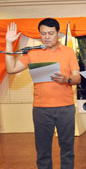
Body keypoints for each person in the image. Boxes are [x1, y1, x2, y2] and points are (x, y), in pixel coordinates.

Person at [5, 18, 81, 169]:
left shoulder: (69, 52)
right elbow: (11, 69)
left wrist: (67, 79)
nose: (46, 37)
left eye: (50, 33)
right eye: (43, 33)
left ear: (58, 33)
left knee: (67, 149)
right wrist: (8, 43)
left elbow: (77, 78)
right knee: (42, 151)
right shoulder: (33, 52)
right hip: (41, 109)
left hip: (65, 108)